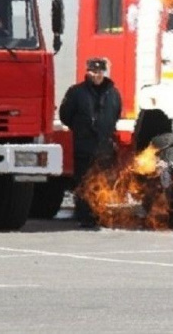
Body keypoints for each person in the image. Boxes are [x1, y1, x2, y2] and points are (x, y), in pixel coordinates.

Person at [59, 58, 123, 227]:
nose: (97, 75)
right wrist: (81, 129)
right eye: (94, 72)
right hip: (84, 145)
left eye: (100, 72)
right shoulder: (76, 92)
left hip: (104, 147)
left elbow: (116, 114)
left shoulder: (113, 93)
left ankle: (98, 214)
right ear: (87, 72)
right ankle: (84, 215)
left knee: (101, 182)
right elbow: (65, 115)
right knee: (84, 181)